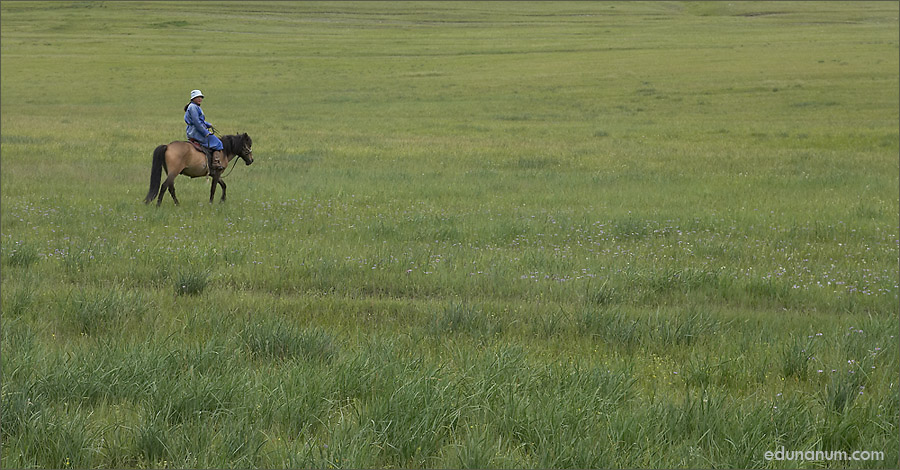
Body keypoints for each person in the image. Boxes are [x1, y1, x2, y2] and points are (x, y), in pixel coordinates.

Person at [184, 89, 225, 172]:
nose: (200, 99)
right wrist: (205, 132)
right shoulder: (193, 107)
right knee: (218, 143)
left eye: (201, 97)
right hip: (196, 132)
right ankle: (215, 163)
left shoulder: (194, 106)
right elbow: (197, 122)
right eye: (198, 97)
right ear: (193, 98)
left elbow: (199, 121)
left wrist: (208, 124)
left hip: (194, 130)